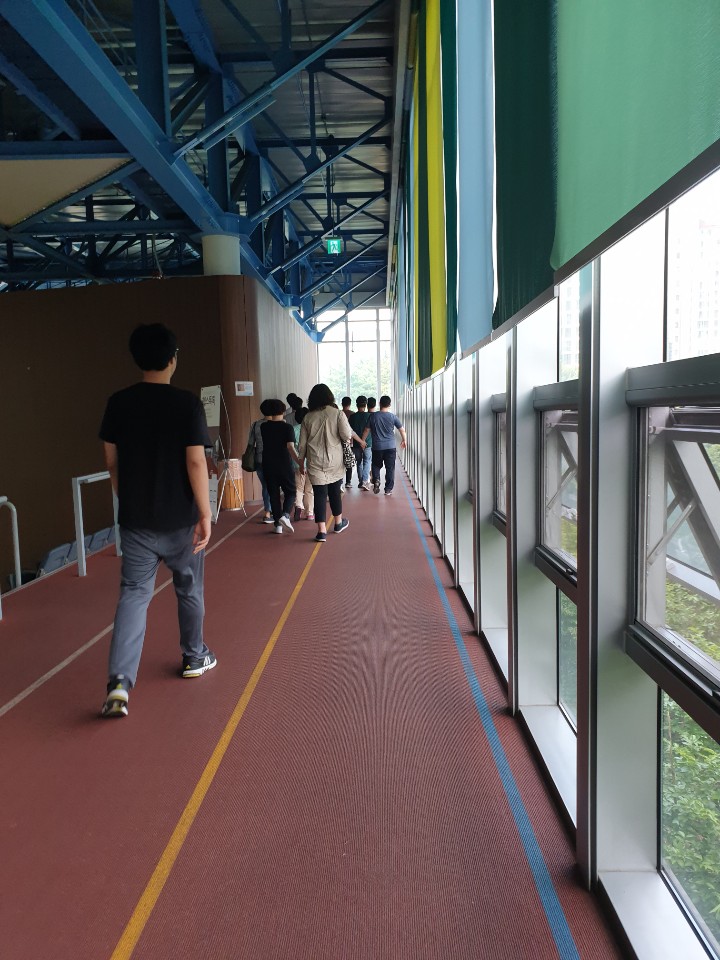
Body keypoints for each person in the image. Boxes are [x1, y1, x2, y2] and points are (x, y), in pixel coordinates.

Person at [98, 323, 216, 719]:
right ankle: (194, 656)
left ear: (137, 358)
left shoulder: (118, 403)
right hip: (181, 520)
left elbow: (111, 461)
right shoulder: (186, 404)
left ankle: (119, 683)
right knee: (189, 589)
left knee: (134, 595)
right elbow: (195, 461)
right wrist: (205, 512)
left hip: (136, 522)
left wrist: (127, 497)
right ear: (173, 359)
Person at [298, 384, 365, 542]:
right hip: (335, 460)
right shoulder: (337, 413)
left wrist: (301, 463)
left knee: (319, 494)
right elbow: (346, 435)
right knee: (335, 492)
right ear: (329, 397)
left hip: (315, 460)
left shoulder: (308, 417)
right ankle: (338, 523)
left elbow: (302, 444)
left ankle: (321, 531)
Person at [260, 398, 301, 534]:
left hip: (268, 464)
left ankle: (277, 525)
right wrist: (300, 462)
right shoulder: (287, 428)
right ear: (283, 410)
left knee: (274, 494)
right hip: (284, 464)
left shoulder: (264, 427)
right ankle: (286, 515)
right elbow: (290, 447)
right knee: (291, 491)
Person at [362, 395, 407, 496]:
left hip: (377, 447)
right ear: (389, 405)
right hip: (390, 447)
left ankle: (377, 480)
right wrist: (404, 440)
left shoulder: (373, 416)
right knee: (390, 468)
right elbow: (402, 430)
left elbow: (366, 430)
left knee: (376, 465)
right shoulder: (393, 417)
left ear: (379, 404)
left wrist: (363, 441)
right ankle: (388, 489)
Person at [247, 415, 273, 523]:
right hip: (274, 460)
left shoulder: (256, 425)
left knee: (265, 486)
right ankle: (271, 511)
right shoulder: (278, 424)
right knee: (274, 486)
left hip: (259, 459)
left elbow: (250, 443)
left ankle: (268, 511)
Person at [292, 407, 314, 522]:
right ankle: (309, 513)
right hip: (312, 464)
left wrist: (299, 463)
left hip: (298, 463)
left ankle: (298, 505)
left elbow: (291, 448)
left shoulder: (293, 430)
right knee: (309, 490)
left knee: (299, 488)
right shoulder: (312, 429)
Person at [348, 395, 372, 490]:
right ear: (366, 405)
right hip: (368, 443)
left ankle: (361, 481)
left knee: (359, 462)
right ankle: (365, 481)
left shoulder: (352, 417)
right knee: (367, 461)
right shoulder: (369, 416)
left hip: (356, 443)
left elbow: (350, 430)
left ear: (356, 405)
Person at [340, 396, 354, 487]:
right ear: (350, 404)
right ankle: (348, 482)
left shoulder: (339, 414)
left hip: (339, 442)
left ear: (342, 404)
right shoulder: (353, 414)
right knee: (349, 461)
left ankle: (340, 482)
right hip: (350, 442)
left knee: (340, 462)